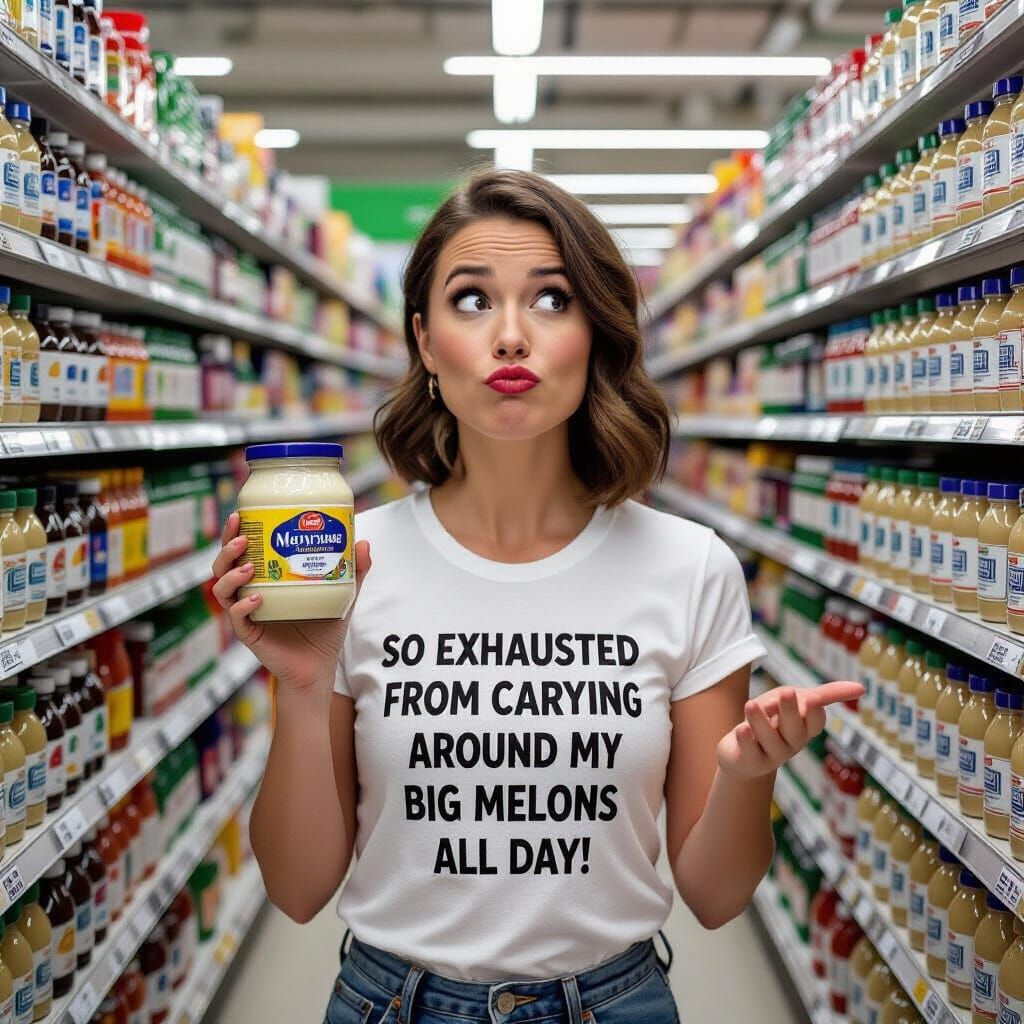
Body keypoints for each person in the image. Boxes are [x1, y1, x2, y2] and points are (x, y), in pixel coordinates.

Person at [210, 168, 862, 1024]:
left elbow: (714, 896)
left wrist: (747, 779)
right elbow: (297, 891)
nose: (510, 336)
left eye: (552, 301)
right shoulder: (348, 559)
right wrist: (301, 692)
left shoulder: (689, 566)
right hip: (388, 1003)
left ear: (594, 334)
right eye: (471, 301)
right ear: (424, 340)